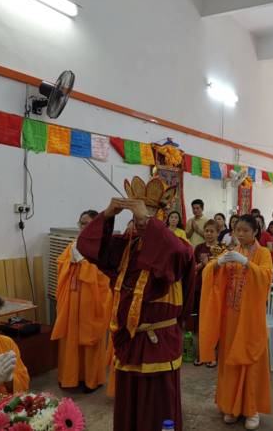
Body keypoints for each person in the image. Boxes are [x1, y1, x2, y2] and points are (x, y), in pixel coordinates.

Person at [77, 176, 196, 431]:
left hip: (158, 341)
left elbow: (178, 255)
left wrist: (148, 221)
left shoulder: (178, 246)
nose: (141, 220)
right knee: (129, 402)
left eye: (148, 214)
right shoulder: (126, 246)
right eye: (138, 214)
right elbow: (86, 246)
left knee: (157, 407)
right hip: (129, 339)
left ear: (160, 218)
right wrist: (107, 214)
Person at [200, 215, 272, 430]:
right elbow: (209, 274)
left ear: (255, 231)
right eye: (237, 230)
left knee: (250, 359)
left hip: (251, 316)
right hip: (230, 316)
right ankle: (231, 406)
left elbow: (267, 277)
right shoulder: (231, 251)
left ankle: (251, 409)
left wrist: (248, 264)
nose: (240, 234)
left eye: (245, 230)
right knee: (229, 358)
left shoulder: (263, 253)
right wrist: (217, 264)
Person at [51, 210, 111, 393]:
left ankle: (91, 379)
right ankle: (69, 377)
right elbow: (60, 265)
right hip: (71, 299)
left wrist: (83, 263)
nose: (83, 227)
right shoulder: (73, 245)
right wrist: (70, 262)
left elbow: (105, 277)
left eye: (87, 223)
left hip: (90, 300)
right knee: (69, 338)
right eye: (81, 223)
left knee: (89, 339)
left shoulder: (103, 248)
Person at [192, 220, 219, 367]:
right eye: (207, 231)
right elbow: (193, 269)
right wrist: (203, 264)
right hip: (199, 288)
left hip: (215, 290)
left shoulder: (222, 248)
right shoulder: (199, 248)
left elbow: (222, 271)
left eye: (212, 231)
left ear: (217, 233)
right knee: (200, 322)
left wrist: (208, 264)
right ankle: (201, 353)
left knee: (213, 322)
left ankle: (212, 355)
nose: (209, 234)